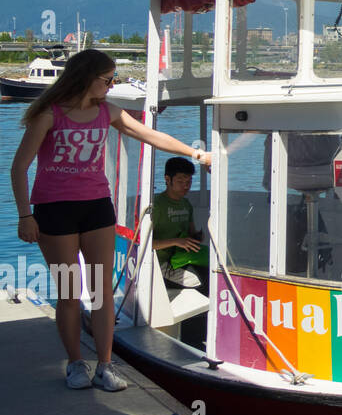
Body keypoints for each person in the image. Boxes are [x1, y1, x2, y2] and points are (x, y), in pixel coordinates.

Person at [10, 49, 211, 391]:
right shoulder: (50, 114)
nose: (111, 84)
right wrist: (25, 216)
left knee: (102, 292)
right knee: (70, 292)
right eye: (108, 79)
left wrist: (193, 152)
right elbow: (19, 167)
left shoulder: (108, 112)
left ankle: (105, 365)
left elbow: (150, 136)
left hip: (97, 208)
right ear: (87, 77)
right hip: (54, 210)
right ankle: (76, 364)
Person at [152, 157, 208, 291]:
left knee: (212, 272)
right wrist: (176, 241)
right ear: (167, 179)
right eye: (180, 181)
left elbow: (190, 234)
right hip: (161, 264)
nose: (186, 186)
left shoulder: (186, 204)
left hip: (183, 259)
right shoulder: (156, 205)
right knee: (199, 282)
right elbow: (144, 244)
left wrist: (197, 237)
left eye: (189, 181)